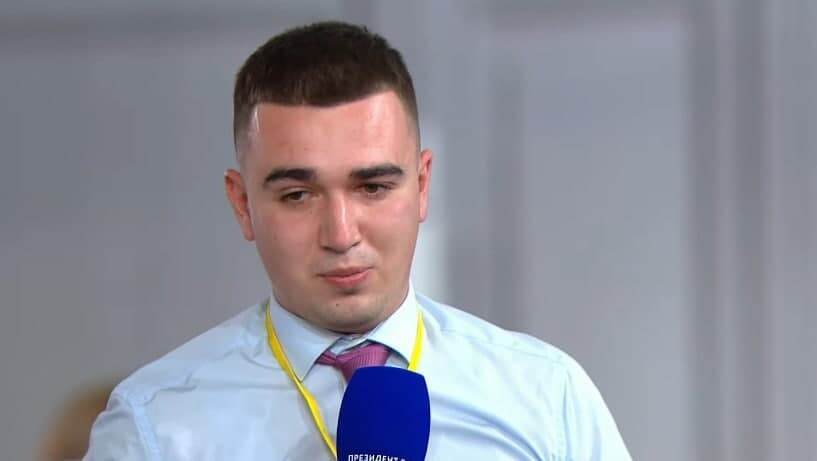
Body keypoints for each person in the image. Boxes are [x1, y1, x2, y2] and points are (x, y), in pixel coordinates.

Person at [84, 21, 631, 460]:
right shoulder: (154, 426)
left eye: (373, 187)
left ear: (422, 186)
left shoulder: (546, 396)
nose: (341, 234)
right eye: (298, 195)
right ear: (242, 204)